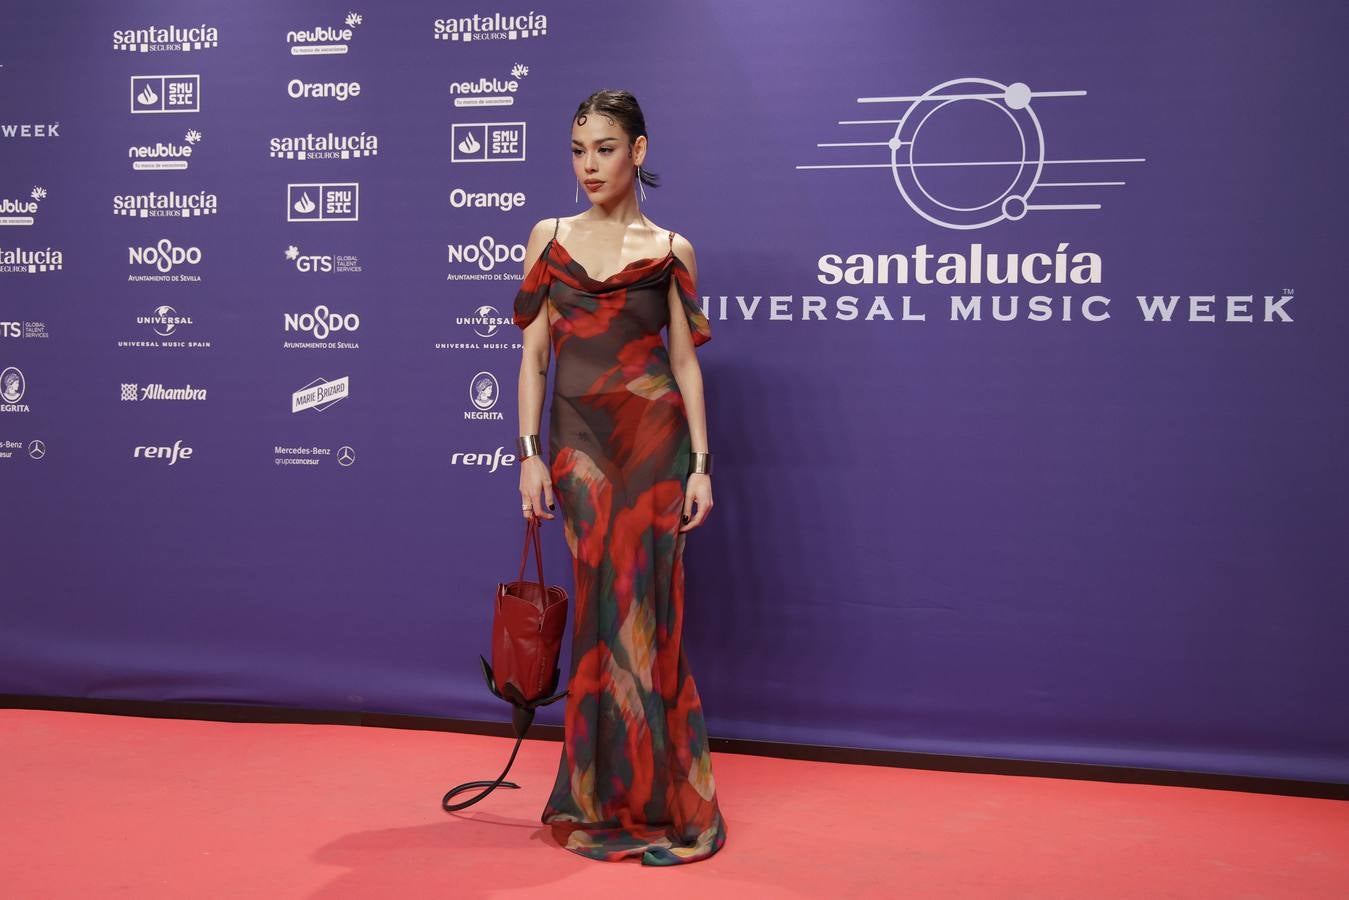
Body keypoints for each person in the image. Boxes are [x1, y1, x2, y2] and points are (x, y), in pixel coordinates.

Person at [511, 89, 727, 866]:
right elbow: (535, 356)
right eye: (577, 150)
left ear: (637, 151)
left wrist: (701, 464)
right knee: (603, 615)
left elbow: (682, 363)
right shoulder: (547, 236)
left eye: (603, 148)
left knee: (651, 617)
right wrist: (528, 451)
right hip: (577, 451)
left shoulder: (672, 247)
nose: (588, 165)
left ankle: (663, 802)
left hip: (655, 447)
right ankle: (596, 798)